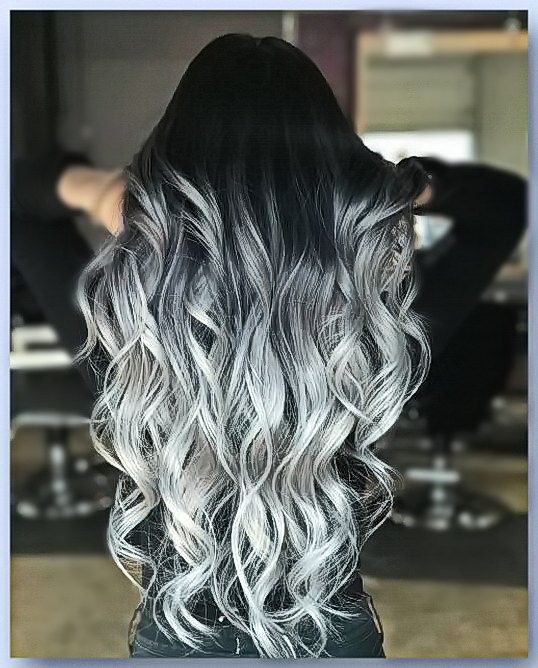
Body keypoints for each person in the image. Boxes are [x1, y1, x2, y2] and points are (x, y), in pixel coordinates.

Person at [11, 34, 526, 659]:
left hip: (177, 638)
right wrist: (393, 186)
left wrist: (101, 192)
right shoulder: (368, 332)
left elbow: (20, 198)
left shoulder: (131, 337)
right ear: (333, 182)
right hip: (331, 638)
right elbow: (503, 205)